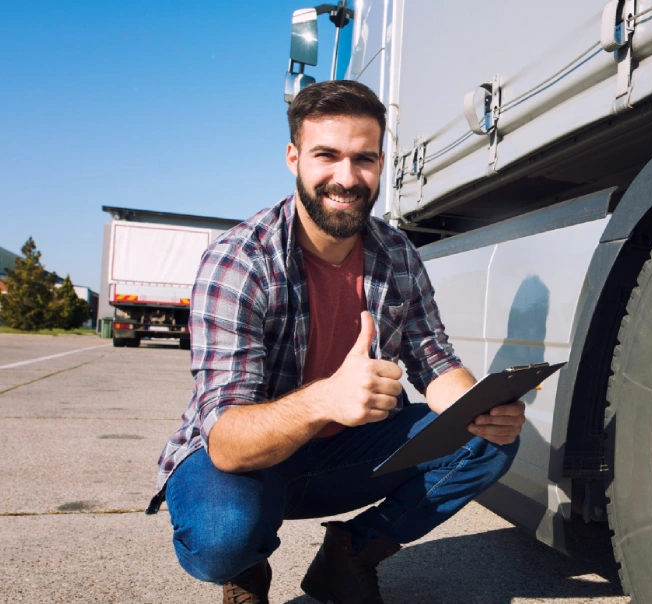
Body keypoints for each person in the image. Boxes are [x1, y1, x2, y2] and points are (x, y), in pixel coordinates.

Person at [145, 80, 526, 604]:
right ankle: (247, 567)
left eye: (363, 159)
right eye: (326, 156)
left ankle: (351, 555)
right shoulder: (239, 262)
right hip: (250, 459)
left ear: (382, 163)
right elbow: (229, 443)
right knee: (222, 537)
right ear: (294, 158)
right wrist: (326, 398)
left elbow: (434, 361)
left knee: (488, 440)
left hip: (346, 452)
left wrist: (481, 410)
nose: (346, 178)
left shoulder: (397, 254)